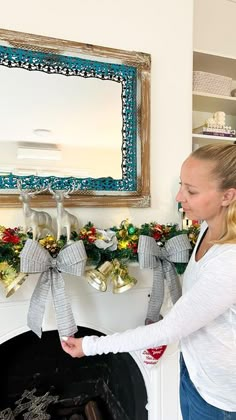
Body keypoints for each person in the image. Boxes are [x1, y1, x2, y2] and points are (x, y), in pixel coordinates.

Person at [61, 143, 236, 420]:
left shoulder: (230, 261)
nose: (180, 197)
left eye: (192, 191)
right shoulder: (207, 227)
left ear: (228, 196)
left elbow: (171, 329)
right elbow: (195, 304)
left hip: (222, 397)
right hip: (194, 373)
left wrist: (90, 346)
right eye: (182, 185)